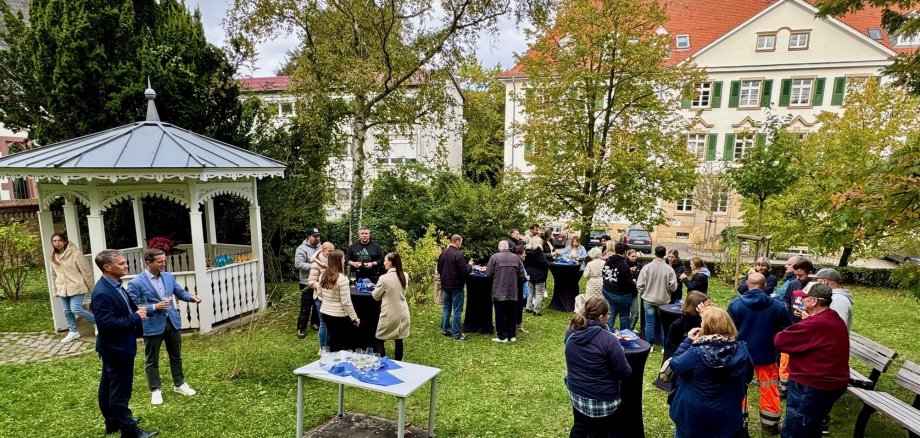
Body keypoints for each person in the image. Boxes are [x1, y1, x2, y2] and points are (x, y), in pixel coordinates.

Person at [91, 249, 156, 438]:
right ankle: (129, 430)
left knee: (108, 385)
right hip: (116, 347)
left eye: (125, 262)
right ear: (107, 267)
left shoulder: (115, 285)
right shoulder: (102, 293)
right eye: (121, 263)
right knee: (120, 390)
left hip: (116, 346)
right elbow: (107, 325)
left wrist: (139, 312)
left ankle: (112, 421)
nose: (126, 265)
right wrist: (135, 317)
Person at [126, 249, 201, 406]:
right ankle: (155, 390)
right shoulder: (136, 282)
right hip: (152, 325)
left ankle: (179, 384)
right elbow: (132, 307)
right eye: (159, 261)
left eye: (164, 261)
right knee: (152, 360)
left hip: (172, 322)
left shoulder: (168, 276)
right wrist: (154, 307)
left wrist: (191, 298)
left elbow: (179, 292)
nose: (163, 264)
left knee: (176, 356)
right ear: (148, 263)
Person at [775, 284, 850, 438]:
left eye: (804, 297)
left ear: (814, 301)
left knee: (796, 428)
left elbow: (780, 340)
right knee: (811, 425)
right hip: (830, 384)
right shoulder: (832, 317)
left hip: (811, 385)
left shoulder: (816, 324)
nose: (800, 300)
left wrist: (806, 322)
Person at [669, 307, 754, 438]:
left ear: (707, 327)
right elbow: (748, 377)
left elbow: (675, 364)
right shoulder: (741, 350)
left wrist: (688, 341)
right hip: (727, 414)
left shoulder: (697, 353)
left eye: (702, 321)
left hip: (694, 415)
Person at [727, 273, 791, 435]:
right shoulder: (777, 306)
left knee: (738, 388)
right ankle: (770, 425)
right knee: (769, 388)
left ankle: (738, 421)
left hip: (740, 355)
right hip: (767, 354)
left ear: (748, 285)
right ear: (765, 286)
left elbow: (727, 332)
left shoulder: (735, 305)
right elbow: (786, 331)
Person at [563, 297, 632, 438]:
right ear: (601, 317)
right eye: (608, 315)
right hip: (602, 399)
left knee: (579, 427)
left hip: (576, 392)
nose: (609, 317)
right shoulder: (609, 340)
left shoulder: (572, 330)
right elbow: (625, 373)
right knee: (599, 432)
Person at [49, 233, 96, 342]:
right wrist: (55, 290)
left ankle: (96, 322)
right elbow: (53, 275)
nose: (57, 243)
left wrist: (92, 288)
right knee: (67, 311)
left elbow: (87, 272)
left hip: (77, 287)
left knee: (76, 309)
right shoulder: (53, 256)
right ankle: (73, 331)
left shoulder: (76, 254)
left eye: (59, 240)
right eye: (54, 241)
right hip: (62, 289)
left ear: (65, 241)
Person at [317, 250, 359, 352]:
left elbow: (319, 293)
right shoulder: (342, 279)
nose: (344, 260)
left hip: (325, 312)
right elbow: (346, 302)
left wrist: (328, 301)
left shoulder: (323, 275)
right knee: (342, 341)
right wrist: (355, 318)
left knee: (332, 338)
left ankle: (330, 360)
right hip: (339, 315)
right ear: (339, 261)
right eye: (343, 258)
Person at [636, 245, 677, 345]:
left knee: (649, 323)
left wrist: (644, 292)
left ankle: (649, 343)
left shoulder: (647, 267)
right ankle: (663, 344)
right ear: (664, 255)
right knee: (664, 324)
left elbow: (639, 284)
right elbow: (673, 287)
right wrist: (668, 291)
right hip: (663, 300)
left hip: (648, 299)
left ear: (655, 253)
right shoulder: (669, 269)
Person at [373, 253, 410, 360]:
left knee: (379, 338)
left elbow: (375, 296)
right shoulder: (405, 275)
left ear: (389, 263)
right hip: (403, 312)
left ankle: (382, 362)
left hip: (389, 313)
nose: (384, 262)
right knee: (399, 338)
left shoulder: (384, 278)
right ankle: (399, 362)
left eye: (385, 260)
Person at [487, 240, 524, 343]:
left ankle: (502, 336)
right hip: (513, 291)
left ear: (499, 247)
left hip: (499, 290)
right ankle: (512, 335)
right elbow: (522, 274)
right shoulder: (516, 258)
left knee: (500, 314)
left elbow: (489, 273)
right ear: (508, 247)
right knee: (512, 313)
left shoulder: (494, 257)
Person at [436, 235, 472, 341]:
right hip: (456, 286)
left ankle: (446, 329)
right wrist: (469, 265)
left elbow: (439, 269)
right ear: (456, 241)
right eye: (461, 242)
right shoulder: (458, 254)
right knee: (457, 310)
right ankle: (456, 334)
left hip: (446, 285)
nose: (461, 244)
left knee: (446, 307)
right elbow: (464, 271)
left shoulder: (443, 253)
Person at [663, 291, 711, 360]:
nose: (711, 308)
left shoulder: (705, 321)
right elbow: (670, 344)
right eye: (708, 306)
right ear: (697, 307)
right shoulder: (678, 324)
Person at [601, 242, 637, 330]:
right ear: (625, 252)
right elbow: (629, 282)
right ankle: (625, 335)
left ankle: (606, 332)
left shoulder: (608, 261)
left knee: (612, 312)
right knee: (624, 315)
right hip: (620, 294)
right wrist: (634, 286)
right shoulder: (623, 265)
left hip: (607, 291)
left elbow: (603, 273)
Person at [294, 228, 321, 339]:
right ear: (309, 236)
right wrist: (314, 267)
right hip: (306, 282)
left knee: (317, 304)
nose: (317, 238)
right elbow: (298, 264)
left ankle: (315, 323)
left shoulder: (321, 247)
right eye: (315, 236)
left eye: (318, 236)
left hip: (319, 281)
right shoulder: (301, 249)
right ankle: (301, 328)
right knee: (306, 306)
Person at [308, 242, 335, 348]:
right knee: (324, 324)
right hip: (321, 298)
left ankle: (329, 346)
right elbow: (311, 282)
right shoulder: (316, 263)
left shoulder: (333, 261)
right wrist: (323, 288)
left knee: (331, 324)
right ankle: (322, 348)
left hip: (332, 297)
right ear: (323, 250)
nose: (331, 253)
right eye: (329, 251)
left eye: (333, 251)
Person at [524, 236, 550, 316]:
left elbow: (525, 263)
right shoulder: (539, 252)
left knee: (530, 291)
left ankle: (528, 307)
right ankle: (536, 310)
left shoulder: (527, 252)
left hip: (530, 273)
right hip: (539, 274)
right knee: (539, 293)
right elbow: (544, 263)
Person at [578, 246, 605, 313]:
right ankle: (600, 310)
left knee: (590, 298)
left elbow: (585, 275)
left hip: (592, 282)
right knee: (600, 297)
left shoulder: (590, 264)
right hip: (601, 281)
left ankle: (590, 310)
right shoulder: (604, 263)